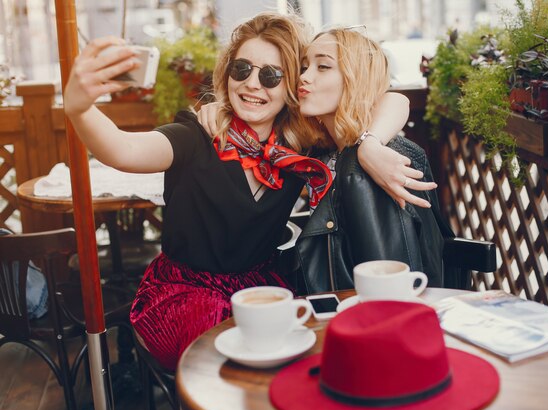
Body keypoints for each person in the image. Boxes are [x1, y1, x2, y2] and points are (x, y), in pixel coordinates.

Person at [63, 12, 431, 371]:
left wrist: (369, 144)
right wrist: (80, 109)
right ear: (227, 75)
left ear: (291, 87)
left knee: (300, 353)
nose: (253, 84)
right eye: (242, 70)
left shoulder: (299, 148)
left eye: (271, 75)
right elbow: (122, 151)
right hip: (182, 294)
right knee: (242, 355)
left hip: (263, 286)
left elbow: (394, 99)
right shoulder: (196, 135)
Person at [293, 28, 447, 293]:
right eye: (305, 66)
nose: (304, 77)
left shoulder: (370, 166)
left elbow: (392, 285)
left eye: (323, 66)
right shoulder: (331, 152)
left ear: (356, 80)